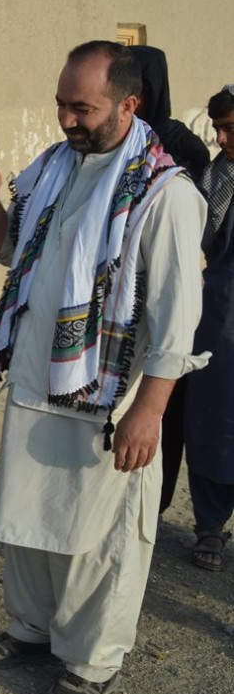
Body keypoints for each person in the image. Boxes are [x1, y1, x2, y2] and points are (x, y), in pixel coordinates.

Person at [0, 41, 207, 694]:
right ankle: (32, 629)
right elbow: (17, 249)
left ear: (128, 104)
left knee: (99, 539)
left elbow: (178, 318)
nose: (67, 119)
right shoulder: (53, 167)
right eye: (61, 104)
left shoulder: (164, 193)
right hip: (37, 381)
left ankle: (93, 660)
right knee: (29, 522)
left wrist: (149, 410)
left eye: (82, 108)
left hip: (108, 400)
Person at [130, 45, 211, 517]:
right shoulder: (114, 140)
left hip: (170, 286)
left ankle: (153, 505)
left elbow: (193, 222)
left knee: (163, 402)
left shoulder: (180, 144)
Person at [185, 85, 234, 571]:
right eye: (218, 128)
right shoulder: (215, 175)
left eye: (231, 129)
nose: (220, 138)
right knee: (213, 420)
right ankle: (210, 525)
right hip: (221, 314)